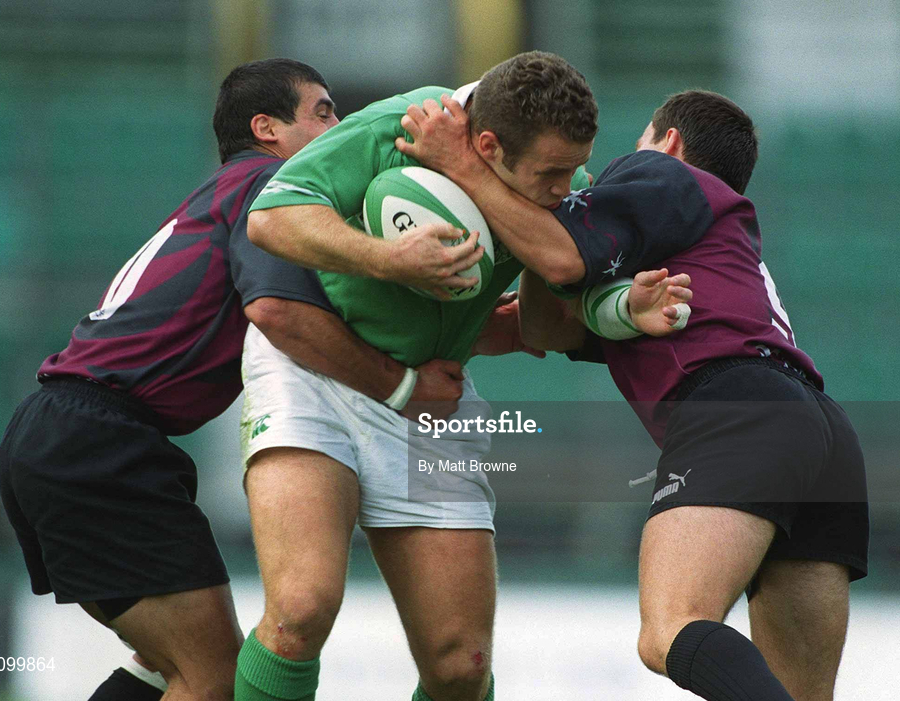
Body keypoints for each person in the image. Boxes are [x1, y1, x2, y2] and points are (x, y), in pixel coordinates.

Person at [0, 58, 481, 701]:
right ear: (267, 129)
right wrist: (403, 388)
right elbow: (278, 312)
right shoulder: (271, 186)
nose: (338, 126)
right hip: (101, 444)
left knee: (164, 660)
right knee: (214, 679)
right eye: (323, 112)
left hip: (63, 434)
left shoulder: (224, 192)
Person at [237, 51, 691, 701]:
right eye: (552, 173)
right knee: (301, 608)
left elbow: (543, 324)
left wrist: (620, 310)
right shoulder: (394, 126)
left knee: (461, 665)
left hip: (434, 402)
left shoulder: (550, 180)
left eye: (574, 168)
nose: (570, 187)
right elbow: (271, 218)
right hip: (315, 374)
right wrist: (388, 260)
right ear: (487, 144)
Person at [396, 89, 869, 701]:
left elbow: (564, 259)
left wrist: (463, 168)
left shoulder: (662, 174)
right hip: (821, 430)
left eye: (641, 137)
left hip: (736, 407)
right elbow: (546, 326)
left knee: (669, 629)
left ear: (668, 141)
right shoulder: (702, 245)